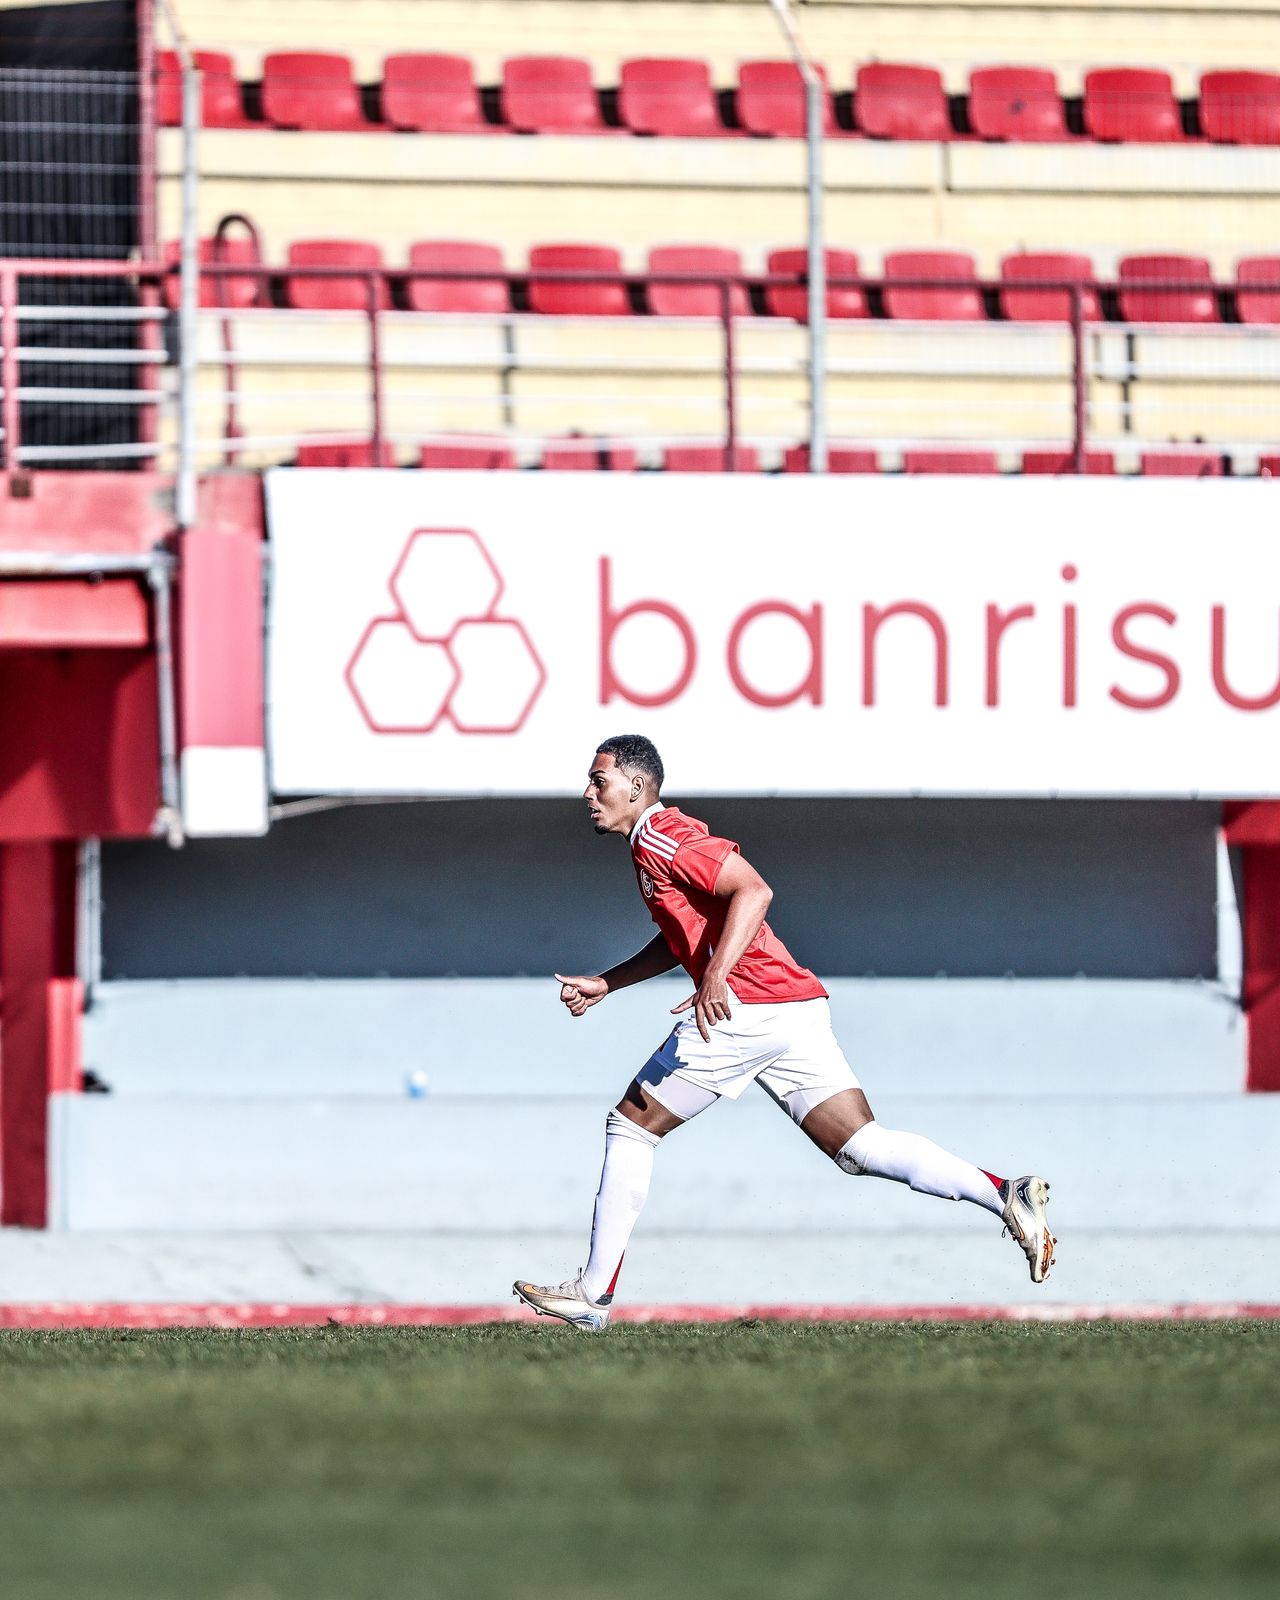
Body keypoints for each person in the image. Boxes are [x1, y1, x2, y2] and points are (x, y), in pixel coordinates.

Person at [513, 734, 1055, 1331]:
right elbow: (681, 938)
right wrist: (608, 983)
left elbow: (754, 888)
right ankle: (1006, 1193)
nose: (588, 793)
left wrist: (716, 977)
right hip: (792, 1006)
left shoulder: (664, 837)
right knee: (860, 1147)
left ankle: (593, 1295)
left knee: (631, 1126)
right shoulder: (651, 847)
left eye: (599, 780)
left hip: (745, 1006)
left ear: (637, 787)